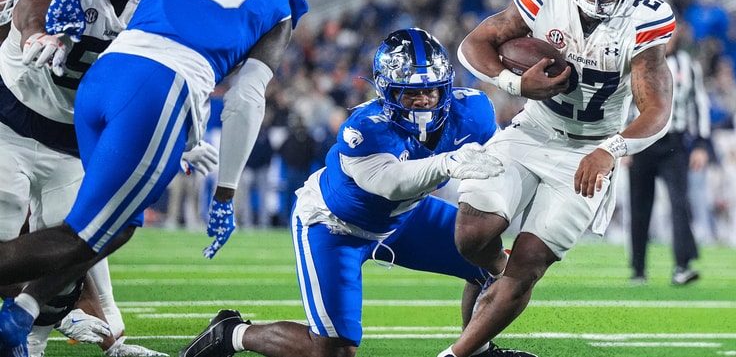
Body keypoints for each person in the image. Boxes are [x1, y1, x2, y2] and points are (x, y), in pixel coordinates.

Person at [0, 0, 309, 355]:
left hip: (98, 89)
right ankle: (20, 314)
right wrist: (224, 193)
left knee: (108, 231)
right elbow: (246, 100)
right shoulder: (281, 0)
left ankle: (22, 318)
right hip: (155, 90)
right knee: (85, 235)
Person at [178, 28, 535, 357]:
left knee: (495, 265)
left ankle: (477, 351)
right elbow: (390, 183)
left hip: (404, 218)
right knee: (332, 350)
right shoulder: (365, 127)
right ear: (388, 91)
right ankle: (233, 334)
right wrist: (447, 163)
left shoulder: (472, 111)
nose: (425, 100)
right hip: (335, 226)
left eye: (431, 90)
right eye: (411, 93)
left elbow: (497, 161)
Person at [437, 0, 676, 356]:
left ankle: (462, 352)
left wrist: (612, 149)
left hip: (589, 149)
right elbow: (474, 44)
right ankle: (497, 272)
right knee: (472, 236)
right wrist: (516, 85)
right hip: (533, 128)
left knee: (529, 263)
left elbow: (657, 108)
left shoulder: (644, 19)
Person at [0, 0, 174, 356]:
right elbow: (31, 4)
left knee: (65, 255)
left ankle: (28, 343)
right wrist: (35, 33)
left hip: (73, 137)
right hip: (11, 118)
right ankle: (63, 314)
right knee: (7, 244)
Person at [627, 21, 709, 286]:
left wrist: (700, 144)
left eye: (670, 34)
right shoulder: (637, 62)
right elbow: (623, 103)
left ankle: (682, 266)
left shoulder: (687, 65)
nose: (666, 40)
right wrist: (622, 143)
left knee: (679, 203)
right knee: (640, 206)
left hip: (674, 143)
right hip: (641, 141)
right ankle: (638, 269)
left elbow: (699, 103)